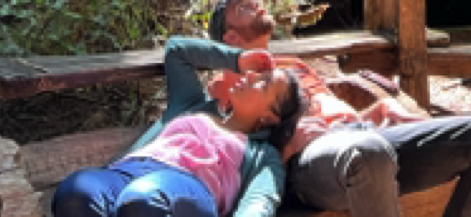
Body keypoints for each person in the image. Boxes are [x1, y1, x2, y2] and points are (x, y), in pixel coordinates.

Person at [208, 0, 471, 217]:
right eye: (242, 8)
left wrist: (378, 109)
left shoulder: (294, 65)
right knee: (367, 154)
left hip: (367, 135)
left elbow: (334, 110)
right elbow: (230, 145)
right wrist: (283, 143)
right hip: (313, 162)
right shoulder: (226, 83)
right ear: (230, 38)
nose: (256, 5)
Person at [51, 35, 305, 217]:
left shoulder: (262, 155)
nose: (250, 77)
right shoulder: (193, 104)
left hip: (187, 190)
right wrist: (237, 59)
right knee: (77, 193)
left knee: (143, 200)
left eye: (264, 83)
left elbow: (260, 201)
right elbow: (177, 50)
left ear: (271, 117)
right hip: (128, 171)